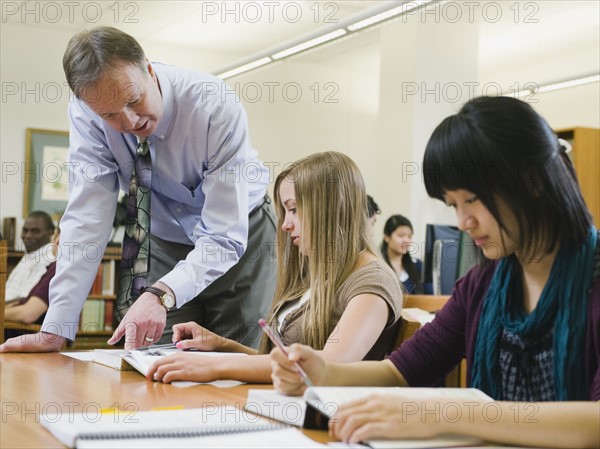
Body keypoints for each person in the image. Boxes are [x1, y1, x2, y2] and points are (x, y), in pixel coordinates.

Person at [270, 97, 600, 449]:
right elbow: (401, 370)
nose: (462, 222)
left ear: (532, 182)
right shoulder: (483, 286)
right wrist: (324, 372)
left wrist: (440, 414)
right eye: (453, 205)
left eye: (471, 199)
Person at [0, 26, 276, 353]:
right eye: (110, 115)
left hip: (242, 234)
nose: (130, 122)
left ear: (148, 69)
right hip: (163, 236)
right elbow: (86, 218)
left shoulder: (213, 104)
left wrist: (161, 293)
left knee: (231, 357)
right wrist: (55, 328)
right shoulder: (86, 114)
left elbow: (223, 235)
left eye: (134, 100)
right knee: (158, 359)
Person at [146, 151, 402, 384]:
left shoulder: (372, 281)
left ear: (329, 208)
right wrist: (221, 346)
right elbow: (281, 362)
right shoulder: (320, 275)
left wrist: (219, 366)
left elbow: (329, 365)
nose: (285, 225)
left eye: (294, 210)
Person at [4, 226, 60, 340]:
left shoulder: (58, 269)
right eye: (58, 234)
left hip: (27, 336)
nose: (57, 240)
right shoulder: (52, 267)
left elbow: (29, 314)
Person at [5, 211, 55, 302]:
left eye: (35, 231)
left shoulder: (49, 260)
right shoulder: (31, 255)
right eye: (25, 230)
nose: (27, 236)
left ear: (50, 232)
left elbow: (24, 300)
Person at [380, 214, 424, 294]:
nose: (406, 240)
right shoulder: (378, 266)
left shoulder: (418, 265)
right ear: (387, 237)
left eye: (409, 236)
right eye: (401, 236)